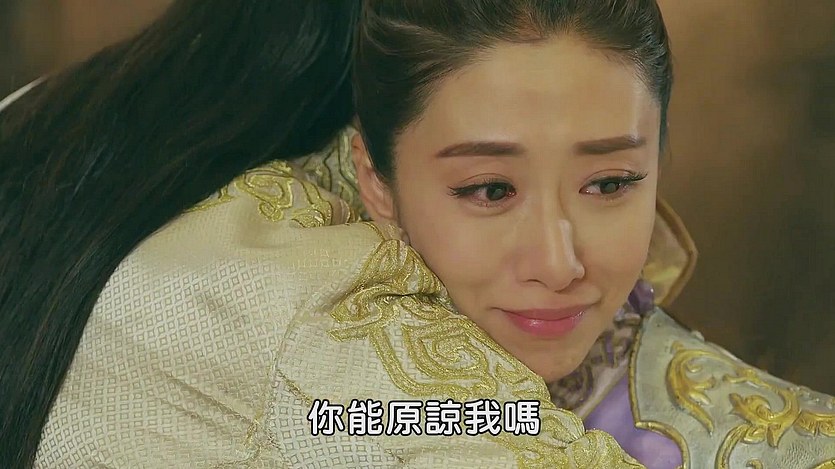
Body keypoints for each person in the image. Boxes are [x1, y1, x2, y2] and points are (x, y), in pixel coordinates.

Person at [0, 1, 832, 467]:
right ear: (374, 176)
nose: (557, 261)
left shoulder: (72, 119)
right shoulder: (325, 308)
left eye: (611, 182)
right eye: (488, 189)